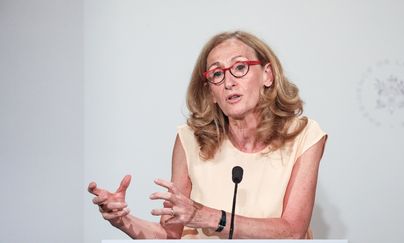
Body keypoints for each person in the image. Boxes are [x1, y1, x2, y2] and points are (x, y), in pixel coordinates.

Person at [88, 31, 327, 239]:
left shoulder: (304, 136)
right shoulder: (189, 140)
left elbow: (293, 230)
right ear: (211, 92)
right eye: (217, 74)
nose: (229, 82)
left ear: (267, 75)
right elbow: (172, 235)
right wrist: (123, 221)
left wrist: (207, 217)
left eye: (240, 68)